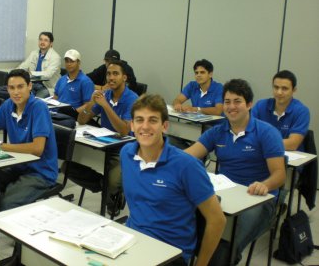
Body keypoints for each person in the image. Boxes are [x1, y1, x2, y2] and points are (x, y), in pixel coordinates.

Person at [186, 79, 286, 265]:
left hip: (258, 199)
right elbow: (187, 157)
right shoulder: (218, 131)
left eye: (237, 101)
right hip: (225, 193)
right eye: (227, 101)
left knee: (224, 249)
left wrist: (264, 185)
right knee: (188, 229)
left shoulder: (266, 133)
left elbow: (280, 175)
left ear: (249, 104)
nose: (231, 107)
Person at [121, 94, 226, 266]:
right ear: (132, 125)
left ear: (165, 126)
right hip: (133, 240)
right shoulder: (126, 153)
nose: (145, 126)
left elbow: (217, 220)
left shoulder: (186, 166)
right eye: (139, 120)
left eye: (153, 120)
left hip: (170, 252)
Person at [0, 69, 58, 213]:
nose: (16, 92)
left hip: (40, 172)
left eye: (20, 87)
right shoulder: (9, 105)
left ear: (30, 86)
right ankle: (0, 216)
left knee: (7, 204)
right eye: (12, 88)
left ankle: (2, 214)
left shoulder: (38, 108)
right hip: (17, 165)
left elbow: (37, 148)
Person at [78, 60, 138, 215]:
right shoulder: (105, 95)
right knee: (70, 167)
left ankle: (113, 192)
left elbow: (124, 130)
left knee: (111, 182)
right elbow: (81, 120)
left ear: (124, 77)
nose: (111, 77)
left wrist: (105, 105)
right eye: (109, 74)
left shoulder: (132, 99)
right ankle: (108, 190)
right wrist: (91, 103)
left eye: (115, 74)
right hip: (103, 145)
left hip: (124, 150)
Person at [252, 70, 310, 151]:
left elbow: (292, 144)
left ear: (294, 90)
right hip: (261, 156)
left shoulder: (302, 111)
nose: (279, 92)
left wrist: (260, 143)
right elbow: (248, 134)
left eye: (284, 88)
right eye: (276, 87)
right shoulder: (260, 105)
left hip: (290, 160)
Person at [16, 31, 61, 98]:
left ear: (51, 43)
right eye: (40, 39)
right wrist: (15, 72)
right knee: (20, 95)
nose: (42, 42)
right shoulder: (34, 53)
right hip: (33, 84)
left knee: (36, 102)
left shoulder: (55, 57)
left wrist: (31, 73)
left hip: (47, 87)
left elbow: (48, 75)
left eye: (46, 40)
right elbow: (24, 65)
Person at [52, 49, 94, 119]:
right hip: (58, 115)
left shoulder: (86, 82)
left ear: (78, 62)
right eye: (67, 61)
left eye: (72, 61)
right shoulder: (61, 79)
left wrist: (73, 112)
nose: (69, 64)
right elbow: (55, 98)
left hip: (74, 117)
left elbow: (88, 105)